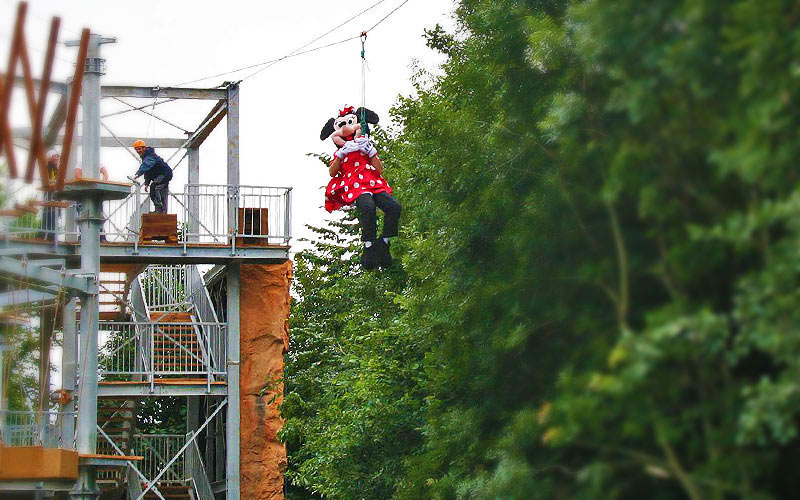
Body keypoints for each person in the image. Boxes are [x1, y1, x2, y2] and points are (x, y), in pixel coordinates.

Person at [320, 105, 401, 269]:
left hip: (372, 182)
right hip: (355, 184)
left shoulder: (365, 145)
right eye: (341, 125)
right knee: (368, 207)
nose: (346, 127)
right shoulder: (341, 152)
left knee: (394, 207)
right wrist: (342, 155)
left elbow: (379, 169)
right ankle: (369, 245)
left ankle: (384, 242)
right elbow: (332, 172)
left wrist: (371, 152)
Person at [132, 139, 173, 214]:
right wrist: (147, 183)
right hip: (160, 175)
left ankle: (160, 210)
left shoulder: (150, 156)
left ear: (144, 148)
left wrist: (137, 174)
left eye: (139, 149)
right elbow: (148, 171)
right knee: (154, 190)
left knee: (154, 187)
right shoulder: (145, 157)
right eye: (136, 149)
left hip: (165, 174)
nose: (138, 151)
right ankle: (160, 210)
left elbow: (146, 165)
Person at [40, 150, 60, 241]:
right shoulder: (48, 167)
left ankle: (52, 236)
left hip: (55, 194)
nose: (57, 158)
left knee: (53, 215)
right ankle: (43, 235)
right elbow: (47, 180)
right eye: (55, 156)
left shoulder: (56, 168)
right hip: (50, 194)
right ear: (50, 157)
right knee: (48, 215)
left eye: (57, 156)